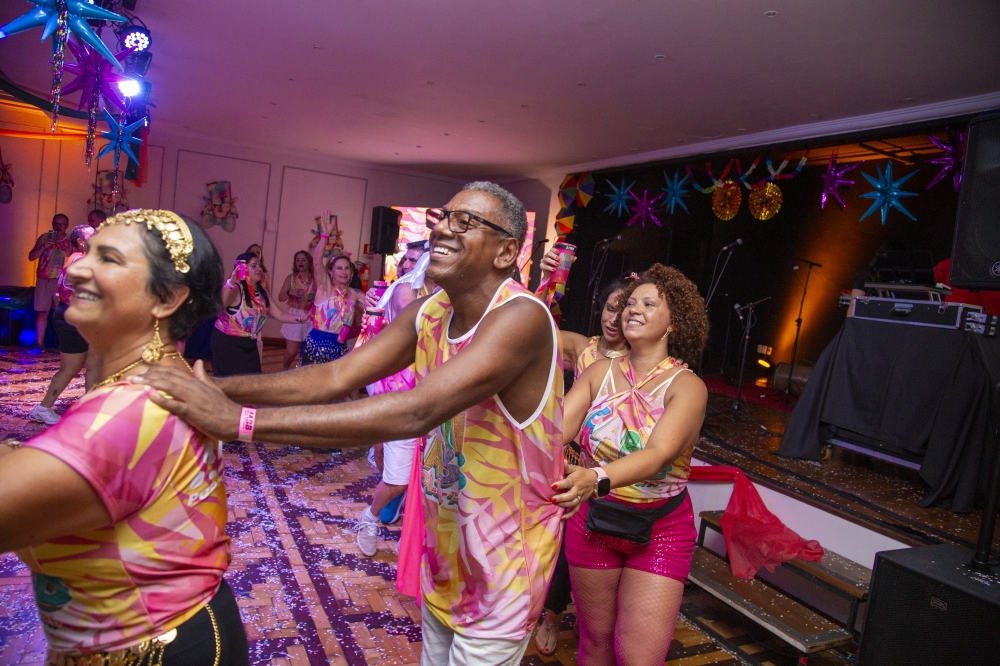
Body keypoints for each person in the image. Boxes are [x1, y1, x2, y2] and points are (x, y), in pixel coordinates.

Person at [135, 182, 563, 665]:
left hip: (505, 563)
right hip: (448, 552)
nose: (444, 228)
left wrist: (239, 421)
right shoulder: (432, 311)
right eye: (444, 217)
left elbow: (416, 410)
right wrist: (219, 387)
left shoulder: (521, 316)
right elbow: (337, 375)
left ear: (506, 251)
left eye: (465, 221)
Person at [0, 209, 249, 665]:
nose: (78, 268)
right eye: (88, 253)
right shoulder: (164, 377)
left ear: (167, 298)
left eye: (108, 258)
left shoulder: (130, 411)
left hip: (154, 650)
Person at [552, 263, 709, 666]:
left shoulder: (687, 387)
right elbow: (554, 433)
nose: (633, 309)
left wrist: (595, 477)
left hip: (659, 529)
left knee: (639, 657)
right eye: (630, 303)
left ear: (675, 322)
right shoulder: (599, 372)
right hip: (592, 523)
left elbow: (658, 455)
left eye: (649, 304)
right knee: (595, 644)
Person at [532, 261, 632, 655]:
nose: (613, 319)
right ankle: (551, 614)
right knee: (562, 540)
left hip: (616, 471)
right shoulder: (583, 348)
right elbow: (532, 328)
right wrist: (548, 280)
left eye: (622, 312)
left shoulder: (640, 363)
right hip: (573, 459)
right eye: (609, 308)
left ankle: (598, 622)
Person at [354, 240, 431, 556]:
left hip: (439, 396)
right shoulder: (403, 290)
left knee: (432, 479)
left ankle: (416, 535)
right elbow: (413, 323)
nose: (408, 265)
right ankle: (370, 516)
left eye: (416, 259)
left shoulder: (451, 295)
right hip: (402, 393)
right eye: (406, 259)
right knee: (397, 479)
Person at [28, 225, 101, 425]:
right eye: (93, 235)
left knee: (94, 365)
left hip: (86, 319)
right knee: (70, 368)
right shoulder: (81, 261)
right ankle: (42, 408)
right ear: (81, 242)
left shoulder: (80, 257)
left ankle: (89, 408)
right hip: (72, 319)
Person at [212, 253, 303, 377]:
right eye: (254, 266)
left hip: (249, 342)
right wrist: (231, 283)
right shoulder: (237, 289)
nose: (260, 269)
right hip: (228, 342)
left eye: (259, 265)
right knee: (231, 382)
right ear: (242, 269)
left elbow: (280, 314)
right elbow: (221, 305)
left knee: (252, 379)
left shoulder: (262, 292)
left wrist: (304, 318)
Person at [302, 218, 364, 365]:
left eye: (347, 268)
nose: (344, 272)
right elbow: (317, 262)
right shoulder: (325, 287)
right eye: (339, 268)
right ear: (330, 271)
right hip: (317, 346)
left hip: (340, 347)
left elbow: (375, 307)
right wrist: (325, 236)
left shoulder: (354, 293)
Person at [27, 213, 72, 349]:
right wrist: (43, 247)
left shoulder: (70, 241)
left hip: (61, 282)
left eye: (62, 224)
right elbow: (31, 257)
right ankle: (39, 344)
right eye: (56, 224)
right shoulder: (44, 238)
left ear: (66, 226)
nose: (58, 227)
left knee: (62, 313)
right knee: (42, 312)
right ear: (52, 224)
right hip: (44, 280)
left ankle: (64, 344)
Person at [277, 250, 316, 369]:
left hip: (310, 316)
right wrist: (290, 292)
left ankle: (302, 372)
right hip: (294, 316)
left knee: (308, 351)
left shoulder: (315, 278)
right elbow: (280, 297)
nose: (300, 262)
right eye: (298, 260)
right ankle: (285, 369)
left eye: (303, 260)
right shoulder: (291, 278)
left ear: (309, 262)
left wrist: (314, 297)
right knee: (291, 352)